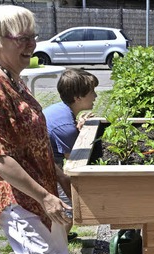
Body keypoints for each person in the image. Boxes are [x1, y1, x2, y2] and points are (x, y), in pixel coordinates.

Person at [0, 5, 72, 254]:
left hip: (34, 189)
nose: (31, 44)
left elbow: (32, 143)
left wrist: (59, 176)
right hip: (11, 193)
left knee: (58, 253)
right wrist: (45, 197)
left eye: (33, 37)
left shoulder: (13, 78)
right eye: (22, 38)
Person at [43, 68, 98, 240]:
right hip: (48, 168)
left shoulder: (63, 110)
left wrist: (77, 127)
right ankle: (57, 245)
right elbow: (73, 162)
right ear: (78, 98)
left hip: (49, 162)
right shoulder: (65, 128)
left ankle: (59, 237)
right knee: (67, 211)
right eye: (92, 92)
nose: (95, 96)